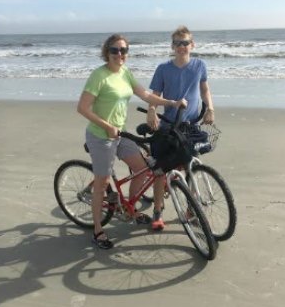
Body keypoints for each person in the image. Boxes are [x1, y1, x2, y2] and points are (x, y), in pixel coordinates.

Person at [77, 33, 187, 250]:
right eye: (115, 50)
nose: (120, 54)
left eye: (124, 50)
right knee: (102, 182)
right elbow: (82, 108)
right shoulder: (99, 76)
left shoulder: (125, 72)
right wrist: (107, 126)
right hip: (101, 136)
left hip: (120, 133)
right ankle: (98, 229)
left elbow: (145, 95)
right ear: (106, 53)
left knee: (143, 169)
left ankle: (129, 209)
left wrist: (172, 103)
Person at [147, 25, 215, 231]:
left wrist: (210, 108)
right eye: (177, 43)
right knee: (160, 169)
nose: (181, 46)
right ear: (172, 46)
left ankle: (190, 210)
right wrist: (151, 109)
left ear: (192, 45)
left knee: (192, 167)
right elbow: (154, 94)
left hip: (191, 126)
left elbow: (205, 89)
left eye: (185, 43)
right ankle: (157, 212)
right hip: (168, 126)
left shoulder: (199, 65)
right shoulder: (163, 69)